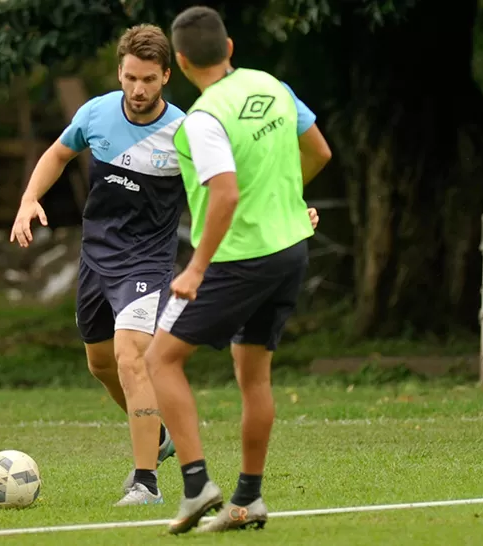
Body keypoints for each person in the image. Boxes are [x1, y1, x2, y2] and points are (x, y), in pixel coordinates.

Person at [143, 6, 332, 534]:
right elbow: (318, 150)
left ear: (179, 62)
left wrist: (196, 268)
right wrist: (288, 202)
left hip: (237, 257)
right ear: (229, 48)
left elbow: (224, 193)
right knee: (254, 375)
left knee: (160, 360)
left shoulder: (203, 118)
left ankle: (196, 482)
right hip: (290, 249)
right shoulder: (272, 85)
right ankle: (248, 500)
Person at [9, 24, 186, 507]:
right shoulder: (96, 112)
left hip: (147, 261)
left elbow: (225, 187)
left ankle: (145, 482)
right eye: (130, 77)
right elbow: (58, 154)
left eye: (149, 79)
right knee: (101, 364)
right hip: (97, 258)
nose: (138, 89)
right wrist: (29, 199)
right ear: (120, 72)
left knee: (132, 357)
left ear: (166, 76)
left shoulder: (184, 133)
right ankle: (160, 435)